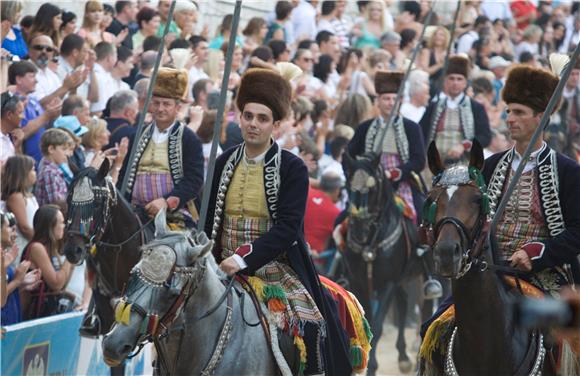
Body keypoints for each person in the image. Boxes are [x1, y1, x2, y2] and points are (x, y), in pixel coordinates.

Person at [204, 66, 352, 375]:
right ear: (239, 116)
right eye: (248, 116)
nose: (253, 124)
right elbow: (207, 221)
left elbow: (287, 229)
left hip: (272, 267)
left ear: (277, 124)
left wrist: (242, 260)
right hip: (216, 266)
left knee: (312, 325)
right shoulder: (222, 162)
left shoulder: (292, 167)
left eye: (262, 119)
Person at [483, 64, 580, 295]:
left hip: (545, 271)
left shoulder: (568, 171)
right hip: (490, 268)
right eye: (508, 111)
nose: (510, 119)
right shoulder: (491, 165)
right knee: (435, 327)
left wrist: (536, 252)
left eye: (519, 112)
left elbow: (578, 230)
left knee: (565, 328)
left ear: (539, 118)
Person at [122, 68, 204, 229]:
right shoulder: (137, 136)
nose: (160, 109)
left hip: (174, 214)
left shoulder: (188, 138)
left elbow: (194, 180)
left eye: (166, 104)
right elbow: (124, 176)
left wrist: (166, 201)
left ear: (177, 108)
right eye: (156, 103)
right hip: (135, 214)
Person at [347, 70, 426, 224]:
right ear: (378, 101)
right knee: (343, 221)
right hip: (369, 185)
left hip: (402, 183)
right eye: (386, 99)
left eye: (394, 99)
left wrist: (396, 173)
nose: (391, 103)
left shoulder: (412, 128)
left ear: (401, 100)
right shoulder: (364, 128)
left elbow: (419, 160)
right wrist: (359, 175)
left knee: (423, 216)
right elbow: (349, 156)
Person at [420, 55, 492, 165]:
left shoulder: (476, 108)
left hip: (464, 163)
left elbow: (485, 137)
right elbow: (421, 133)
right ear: (445, 81)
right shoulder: (433, 107)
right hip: (435, 164)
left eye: (459, 79)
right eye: (451, 78)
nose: (455, 83)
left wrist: (464, 145)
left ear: (465, 83)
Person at [21, 205, 76, 320]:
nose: (64, 226)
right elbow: (56, 283)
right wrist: (69, 258)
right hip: (31, 314)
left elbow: (62, 284)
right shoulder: (37, 247)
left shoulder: (52, 249)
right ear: (50, 226)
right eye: (61, 223)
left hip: (44, 313)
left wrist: (72, 262)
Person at [0, 212, 41, 324]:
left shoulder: (4, 256)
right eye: (10, 228)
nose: (15, 234)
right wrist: (17, 281)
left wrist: (21, 282)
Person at [1, 155, 39, 259]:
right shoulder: (16, 196)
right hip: (21, 244)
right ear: (23, 173)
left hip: (30, 242)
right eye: (32, 170)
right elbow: (24, 227)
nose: (35, 173)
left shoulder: (28, 195)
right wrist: (40, 242)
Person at [35, 129, 73, 208]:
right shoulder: (49, 172)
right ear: (51, 149)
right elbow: (56, 204)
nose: (68, 154)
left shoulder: (54, 170)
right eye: (64, 149)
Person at [0, 92, 25, 164]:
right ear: (9, 115)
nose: (23, 117)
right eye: (20, 113)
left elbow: (19, 169)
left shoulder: (9, 137)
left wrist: (18, 147)